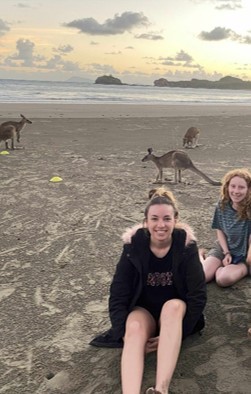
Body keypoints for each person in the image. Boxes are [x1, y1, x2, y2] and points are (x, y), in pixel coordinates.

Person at [90, 187, 207, 394]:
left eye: (166, 219)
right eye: (154, 219)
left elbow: (197, 296)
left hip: (174, 313)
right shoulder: (133, 247)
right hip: (144, 312)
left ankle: (161, 389)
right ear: (146, 222)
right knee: (133, 328)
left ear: (175, 220)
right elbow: (118, 293)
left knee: (172, 307)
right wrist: (122, 334)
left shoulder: (187, 248)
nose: (160, 225)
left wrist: (180, 333)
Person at [201, 168, 251, 287]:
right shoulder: (222, 204)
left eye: (241, 187)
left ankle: (221, 269)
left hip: (244, 254)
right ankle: (201, 257)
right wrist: (227, 253)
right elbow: (220, 229)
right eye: (232, 186)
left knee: (223, 279)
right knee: (201, 277)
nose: (236, 191)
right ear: (227, 187)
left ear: (249, 189)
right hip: (225, 247)